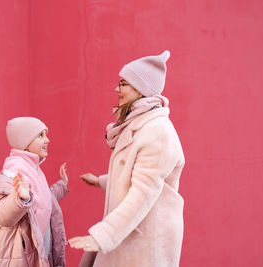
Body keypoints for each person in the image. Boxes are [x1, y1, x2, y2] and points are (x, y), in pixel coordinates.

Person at [69, 50, 185, 267]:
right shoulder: (139, 124)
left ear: (141, 89)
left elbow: (142, 194)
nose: (117, 89)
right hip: (131, 235)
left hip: (146, 243)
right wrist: (102, 181)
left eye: (123, 84)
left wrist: (102, 236)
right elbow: (137, 173)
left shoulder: (158, 132)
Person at [0, 117, 69, 267]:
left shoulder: (33, 169)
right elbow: (2, 216)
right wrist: (20, 199)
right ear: (25, 142)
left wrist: (62, 185)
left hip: (33, 255)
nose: (48, 140)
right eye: (41, 135)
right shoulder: (15, 171)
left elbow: (42, 200)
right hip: (17, 258)